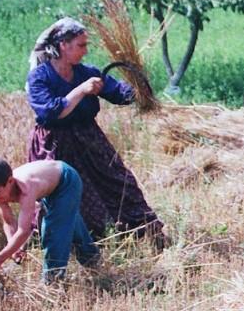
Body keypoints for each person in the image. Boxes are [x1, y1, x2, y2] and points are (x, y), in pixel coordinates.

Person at [26, 17, 167, 246]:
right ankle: (72, 247)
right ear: (64, 45)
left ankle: (145, 235)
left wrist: (138, 88)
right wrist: (81, 91)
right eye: (81, 45)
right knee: (60, 197)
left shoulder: (86, 72)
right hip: (55, 144)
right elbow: (51, 112)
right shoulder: (40, 77)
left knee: (120, 183)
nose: (85, 50)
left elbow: (118, 92)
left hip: (89, 139)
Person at [0, 157, 100, 283]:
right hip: (50, 186)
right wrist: (14, 247)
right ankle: (91, 258)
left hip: (67, 181)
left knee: (52, 230)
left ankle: (52, 280)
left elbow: (23, 231)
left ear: (10, 181)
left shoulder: (26, 189)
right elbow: (9, 222)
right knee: (66, 219)